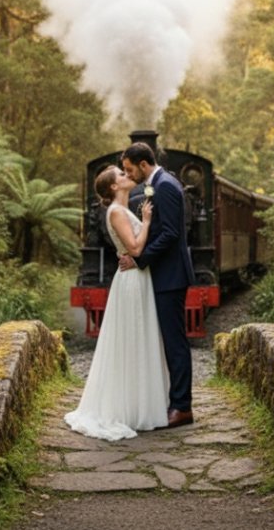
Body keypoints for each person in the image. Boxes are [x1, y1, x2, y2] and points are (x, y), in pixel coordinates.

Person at [64, 166, 170, 440]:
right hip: (132, 279)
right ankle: (131, 408)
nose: (127, 176)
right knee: (133, 338)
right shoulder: (116, 212)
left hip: (136, 276)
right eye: (121, 175)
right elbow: (135, 249)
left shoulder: (121, 210)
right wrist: (146, 221)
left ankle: (139, 402)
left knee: (137, 338)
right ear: (114, 187)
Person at [119, 142, 195, 429]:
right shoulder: (157, 184)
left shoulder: (165, 185)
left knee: (175, 343)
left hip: (171, 277)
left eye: (129, 169)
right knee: (168, 340)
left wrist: (139, 259)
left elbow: (171, 235)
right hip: (163, 275)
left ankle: (182, 407)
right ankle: (172, 400)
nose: (129, 175)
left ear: (142, 164)